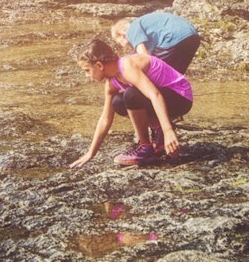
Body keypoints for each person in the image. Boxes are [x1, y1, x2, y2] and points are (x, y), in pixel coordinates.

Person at [69, 36, 192, 168]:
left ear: (99, 65)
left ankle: (145, 148)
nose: (87, 76)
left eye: (87, 70)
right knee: (118, 102)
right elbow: (105, 119)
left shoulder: (127, 66)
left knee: (131, 95)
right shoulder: (112, 83)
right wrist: (90, 153)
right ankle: (158, 128)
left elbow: (155, 95)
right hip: (164, 100)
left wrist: (169, 131)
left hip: (180, 97)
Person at [110, 10, 201, 77]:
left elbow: (144, 58)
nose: (123, 46)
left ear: (120, 33)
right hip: (192, 36)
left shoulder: (132, 29)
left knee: (156, 70)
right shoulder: (144, 25)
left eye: (118, 42)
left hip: (173, 38)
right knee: (175, 75)